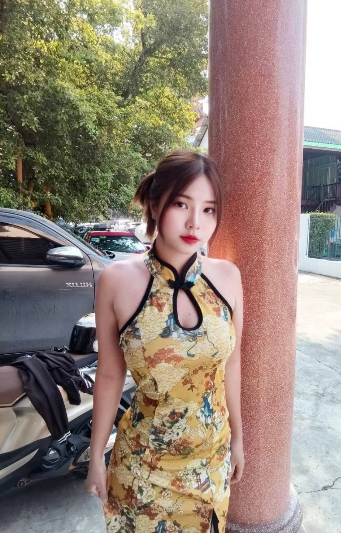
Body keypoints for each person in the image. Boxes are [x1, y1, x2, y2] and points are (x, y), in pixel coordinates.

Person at [86, 149, 244, 533]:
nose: (195, 222)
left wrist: (239, 439)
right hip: (144, 469)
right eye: (181, 204)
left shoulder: (228, 278)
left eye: (208, 209)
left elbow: (232, 363)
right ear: (155, 205)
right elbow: (109, 375)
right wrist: (95, 455)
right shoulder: (116, 281)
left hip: (211, 463)